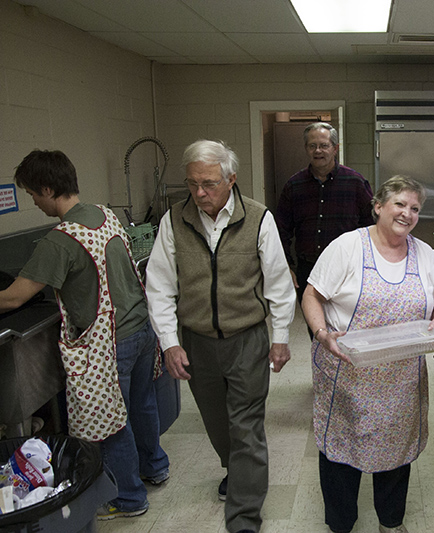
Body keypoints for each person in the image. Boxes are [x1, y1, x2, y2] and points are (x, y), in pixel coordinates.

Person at [0, 150, 169, 520]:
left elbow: (14, 297)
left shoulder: (60, 240)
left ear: (48, 189)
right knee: (142, 406)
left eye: (33, 194)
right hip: (141, 329)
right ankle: (155, 467)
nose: (33, 201)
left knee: (110, 424)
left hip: (111, 344)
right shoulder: (104, 214)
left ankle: (129, 498)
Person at [146, 139, 295, 533]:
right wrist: (169, 342)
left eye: (209, 183)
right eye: (192, 184)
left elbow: (279, 284)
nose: (199, 193)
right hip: (195, 342)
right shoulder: (173, 220)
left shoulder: (259, 218)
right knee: (217, 423)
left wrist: (280, 336)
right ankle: (237, 469)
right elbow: (159, 286)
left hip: (247, 339)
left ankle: (243, 518)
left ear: (231, 179)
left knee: (246, 425)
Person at [301, 175, 434, 533]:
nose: (407, 213)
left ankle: (391, 521)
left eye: (414, 208)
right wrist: (323, 334)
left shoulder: (425, 254)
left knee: (396, 455)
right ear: (379, 206)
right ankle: (340, 525)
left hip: (401, 380)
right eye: (400, 204)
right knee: (341, 456)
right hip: (348, 373)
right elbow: (311, 295)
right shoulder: (347, 247)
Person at [275, 122, 374, 308]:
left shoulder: (355, 182)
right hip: (308, 269)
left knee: (347, 324)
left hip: (347, 270)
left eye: (324, 145)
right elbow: (281, 229)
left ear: (335, 148)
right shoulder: (294, 185)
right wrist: (286, 266)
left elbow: (370, 227)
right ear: (306, 149)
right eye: (312, 146)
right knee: (315, 326)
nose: (318, 151)